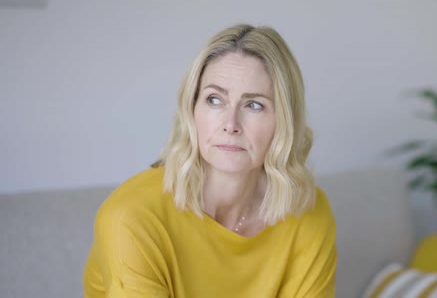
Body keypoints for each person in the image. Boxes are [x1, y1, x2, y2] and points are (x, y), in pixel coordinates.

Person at [82, 24, 337, 297]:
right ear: (192, 110)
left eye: (254, 105)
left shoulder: (307, 211)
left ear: (284, 120)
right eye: (215, 100)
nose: (230, 124)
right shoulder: (132, 217)